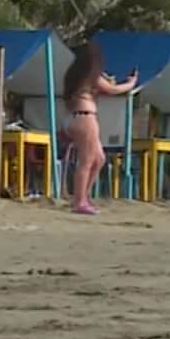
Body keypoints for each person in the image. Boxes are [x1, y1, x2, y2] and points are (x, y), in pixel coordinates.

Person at [61, 44, 138, 216]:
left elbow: (96, 91)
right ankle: (79, 201)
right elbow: (113, 90)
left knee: (99, 159)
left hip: (75, 116)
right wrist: (130, 83)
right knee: (86, 161)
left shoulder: (75, 76)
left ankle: (83, 197)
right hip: (85, 116)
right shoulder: (91, 75)